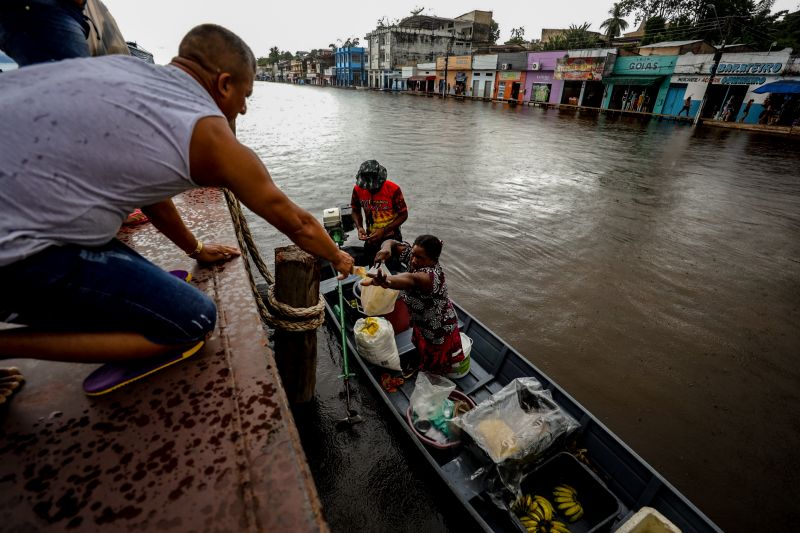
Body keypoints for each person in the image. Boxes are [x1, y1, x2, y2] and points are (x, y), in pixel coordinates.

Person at [0, 24, 354, 398]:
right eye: (245, 96)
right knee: (192, 319)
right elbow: (296, 222)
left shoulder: (127, 72)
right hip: (17, 251)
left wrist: (196, 249)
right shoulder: (209, 135)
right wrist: (338, 256)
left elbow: (150, 190)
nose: (245, 108)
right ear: (224, 84)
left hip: (32, 223)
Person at [362, 236, 464, 376]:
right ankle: (422, 365)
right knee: (421, 346)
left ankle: (434, 377)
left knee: (435, 360)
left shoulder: (430, 277)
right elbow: (391, 241)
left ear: (432, 259)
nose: (414, 260)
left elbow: (410, 279)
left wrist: (386, 280)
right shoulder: (413, 256)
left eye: (420, 258)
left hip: (438, 327)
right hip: (420, 321)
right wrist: (386, 249)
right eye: (413, 255)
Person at [350, 159, 408, 265]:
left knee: (392, 268)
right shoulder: (358, 189)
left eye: (375, 187)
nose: (371, 189)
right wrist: (360, 227)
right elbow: (355, 210)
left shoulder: (393, 189)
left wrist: (384, 230)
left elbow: (404, 215)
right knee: (372, 266)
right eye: (368, 187)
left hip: (392, 238)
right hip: (370, 239)